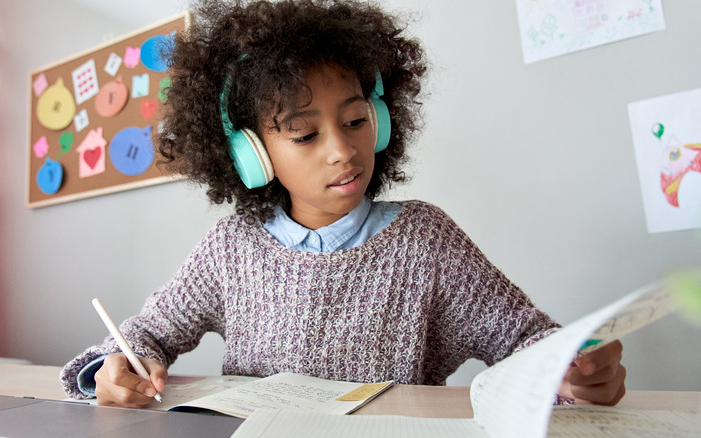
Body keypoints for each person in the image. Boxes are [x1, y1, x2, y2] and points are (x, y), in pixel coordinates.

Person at [60, 0, 626, 408]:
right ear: (253, 156)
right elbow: (146, 333)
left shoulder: (426, 241)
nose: (342, 149)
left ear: (379, 122)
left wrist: (569, 374)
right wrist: (114, 368)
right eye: (305, 135)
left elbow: (528, 341)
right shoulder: (230, 249)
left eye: (356, 121)